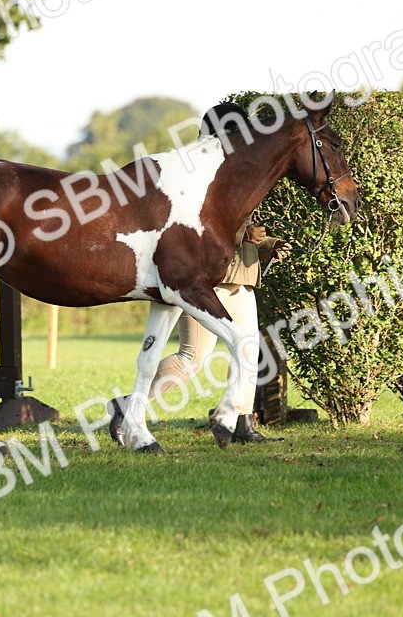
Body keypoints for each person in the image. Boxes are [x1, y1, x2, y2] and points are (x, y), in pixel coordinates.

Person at [107, 102, 292, 445]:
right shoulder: (202, 173)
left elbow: (245, 229)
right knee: (191, 359)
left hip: (239, 277)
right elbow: (207, 228)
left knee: (248, 347)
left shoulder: (237, 170)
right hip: (199, 280)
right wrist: (248, 236)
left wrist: (268, 243)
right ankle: (127, 406)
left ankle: (242, 421)